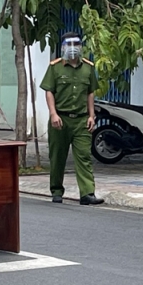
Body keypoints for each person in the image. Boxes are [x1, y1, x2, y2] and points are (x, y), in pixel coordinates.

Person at [40, 32, 104, 206]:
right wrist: (53, 113)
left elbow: (90, 93)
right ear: (63, 47)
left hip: (81, 120)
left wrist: (92, 115)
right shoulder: (55, 67)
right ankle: (56, 190)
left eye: (76, 43)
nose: (73, 47)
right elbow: (49, 91)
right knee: (57, 156)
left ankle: (87, 193)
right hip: (60, 119)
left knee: (84, 156)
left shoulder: (88, 68)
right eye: (69, 44)